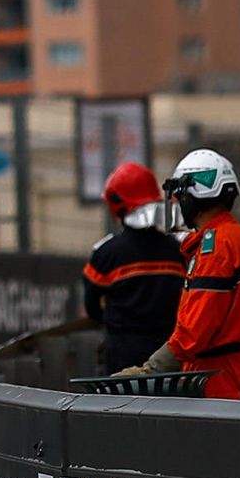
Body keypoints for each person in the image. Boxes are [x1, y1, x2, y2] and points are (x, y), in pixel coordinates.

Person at [146, 146, 240, 401]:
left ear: (195, 195)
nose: (178, 202)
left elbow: (199, 324)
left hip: (212, 373)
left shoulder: (215, 248)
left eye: (181, 194)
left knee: (213, 439)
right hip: (235, 365)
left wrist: (154, 367)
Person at [77, 160, 184, 377]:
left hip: (122, 354)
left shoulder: (106, 254)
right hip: (168, 355)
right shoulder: (177, 250)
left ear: (116, 204)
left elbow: (91, 306)